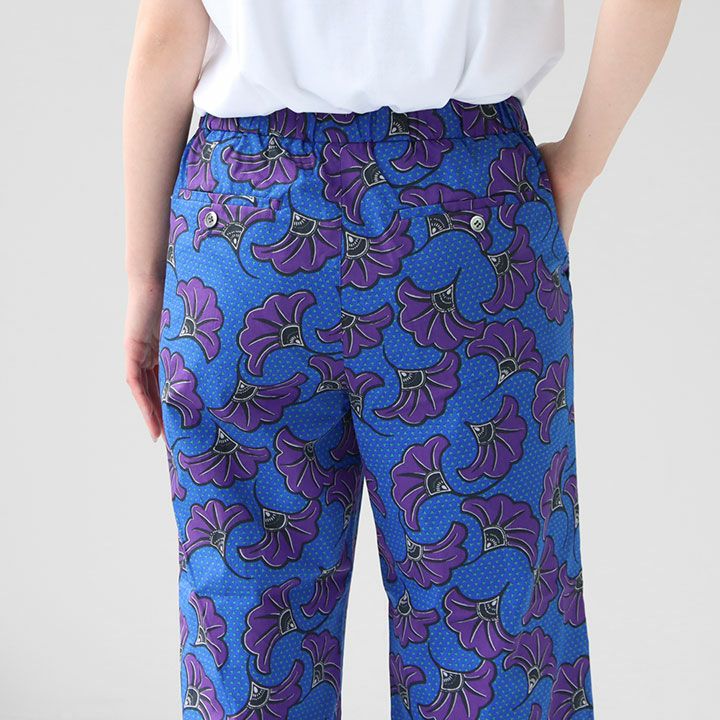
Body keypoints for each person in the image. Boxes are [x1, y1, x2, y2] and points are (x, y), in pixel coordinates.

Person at [123, 1, 681, 718]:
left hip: (243, 231)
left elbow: (166, 35)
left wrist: (145, 279)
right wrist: (577, 165)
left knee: (244, 625)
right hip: (465, 215)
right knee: (487, 635)